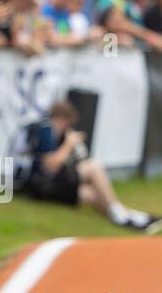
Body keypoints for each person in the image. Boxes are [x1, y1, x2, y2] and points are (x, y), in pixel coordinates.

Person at [13, 100, 161, 233]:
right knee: (94, 167)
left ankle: (132, 218)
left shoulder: (47, 130)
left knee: (92, 194)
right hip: (38, 184)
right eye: (68, 124)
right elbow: (51, 166)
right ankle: (122, 215)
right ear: (62, 119)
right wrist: (69, 143)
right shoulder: (45, 129)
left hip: (41, 186)